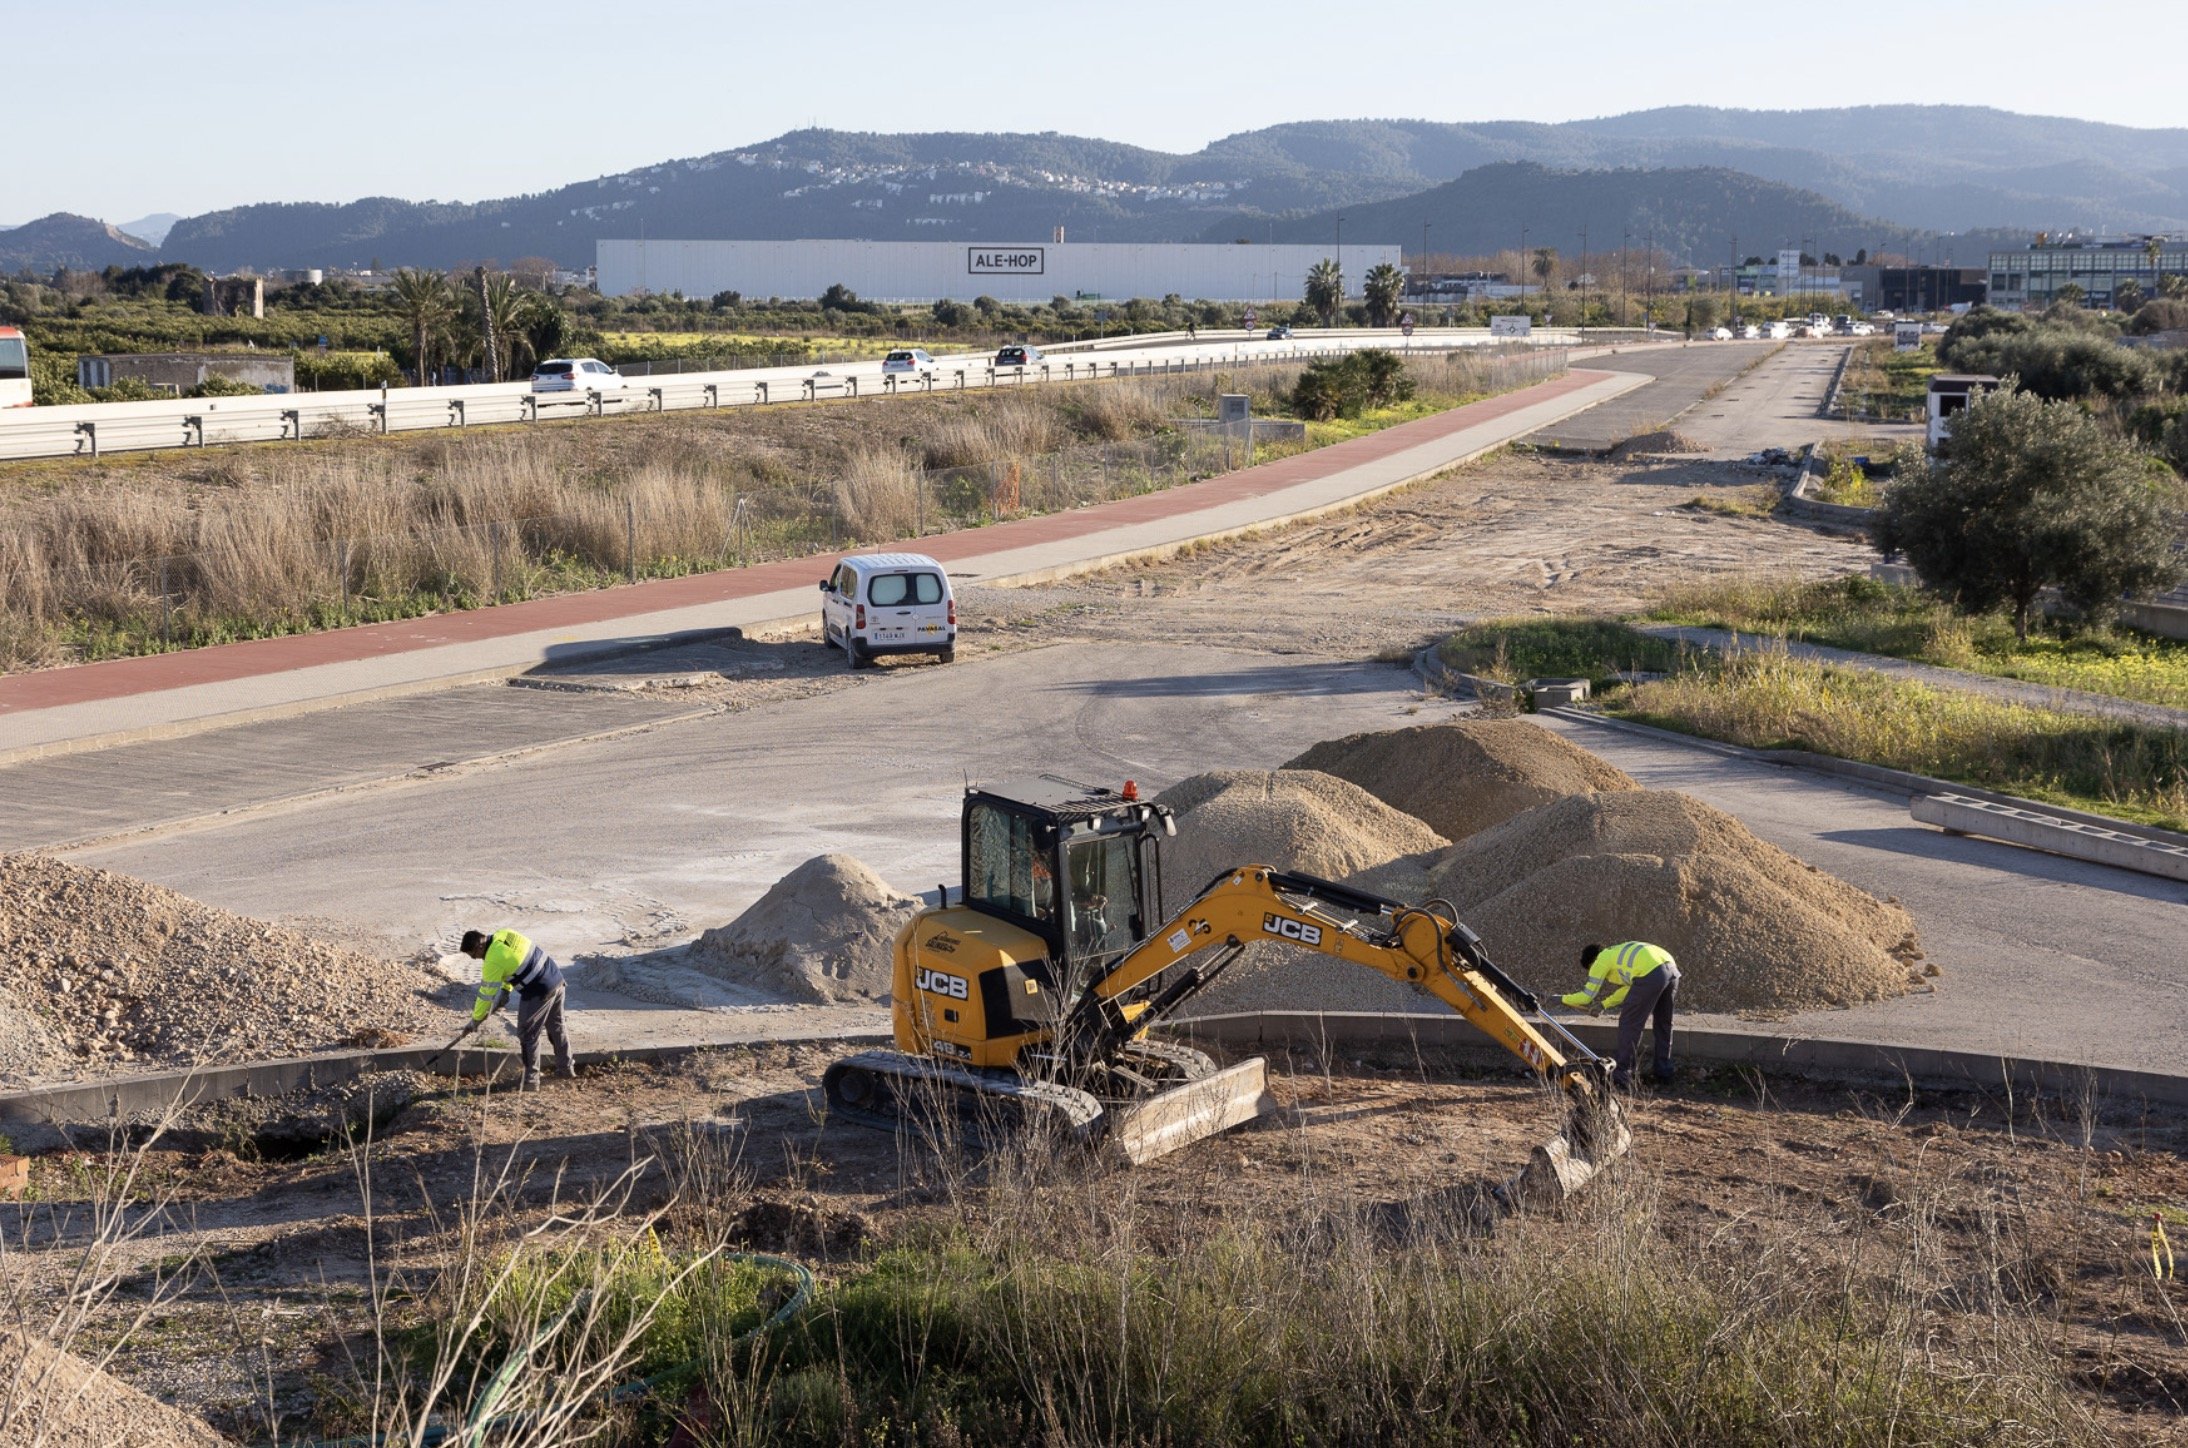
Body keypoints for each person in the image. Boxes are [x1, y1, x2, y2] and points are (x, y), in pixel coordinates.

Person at [459, 927, 574, 1090]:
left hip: (539, 990)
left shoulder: (492, 959)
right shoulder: (504, 934)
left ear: (479, 947)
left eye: (474, 955)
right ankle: (566, 1068)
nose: (475, 959)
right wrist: (506, 989)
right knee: (556, 1027)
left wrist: (475, 1020)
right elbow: (513, 961)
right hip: (555, 977)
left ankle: (531, 1081)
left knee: (527, 1033)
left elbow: (486, 995)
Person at [1562, 940, 1678, 1088]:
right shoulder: (1616, 954)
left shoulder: (1600, 960)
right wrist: (1604, 1004)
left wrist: (1560, 999)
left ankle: (1622, 1074)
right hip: (1670, 968)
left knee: (1629, 1023)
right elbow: (1630, 988)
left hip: (1650, 973)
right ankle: (1664, 1073)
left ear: (1592, 962)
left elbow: (1586, 997)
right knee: (1663, 1023)